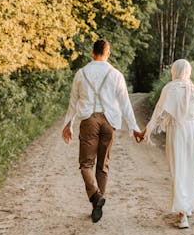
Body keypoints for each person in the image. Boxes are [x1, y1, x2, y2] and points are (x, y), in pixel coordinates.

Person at [62, 38, 145, 223]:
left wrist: (68, 123)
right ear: (108, 53)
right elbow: (125, 104)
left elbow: (73, 102)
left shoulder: (81, 73)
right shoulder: (116, 74)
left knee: (86, 164)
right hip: (109, 122)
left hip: (89, 121)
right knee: (103, 165)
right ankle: (97, 203)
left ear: (93, 52)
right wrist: (134, 128)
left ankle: (96, 197)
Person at [144, 59, 194, 229]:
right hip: (192, 130)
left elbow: (158, 112)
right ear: (188, 71)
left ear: (174, 71)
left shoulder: (170, 88)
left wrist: (146, 131)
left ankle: (183, 215)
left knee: (178, 169)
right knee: (190, 169)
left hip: (177, 131)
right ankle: (187, 206)